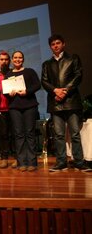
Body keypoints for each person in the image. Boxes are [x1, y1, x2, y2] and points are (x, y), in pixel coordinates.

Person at [41, 34, 91, 172]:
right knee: (58, 135)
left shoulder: (73, 59)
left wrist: (65, 91)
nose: (55, 46)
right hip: (55, 103)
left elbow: (78, 76)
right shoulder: (46, 64)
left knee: (75, 133)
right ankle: (61, 162)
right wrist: (56, 91)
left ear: (63, 44)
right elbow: (44, 81)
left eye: (58, 43)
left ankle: (79, 162)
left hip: (72, 101)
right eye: (53, 44)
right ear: (50, 47)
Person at [5, 51, 41, 172]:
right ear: (12, 60)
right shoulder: (8, 74)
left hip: (29, 106)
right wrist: (9, 94)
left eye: (20, 57)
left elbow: (37, 85)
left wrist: (27, 91)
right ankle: (21, 162)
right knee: (19, 134)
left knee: (30, 133)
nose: (18, 59)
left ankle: (32, 162)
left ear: (23, 59)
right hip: (15, 107)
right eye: (15, 58)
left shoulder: (29, 71)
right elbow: (5, 92)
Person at [0, 51, 16, 169]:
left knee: (14, 134)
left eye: (6, 59)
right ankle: (4, 159)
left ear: (9, 61)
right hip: (1, 110)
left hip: (13, 108)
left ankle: (17, 158)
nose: (4, 61)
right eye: (2, 59)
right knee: (3, 135)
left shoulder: (14, 73)